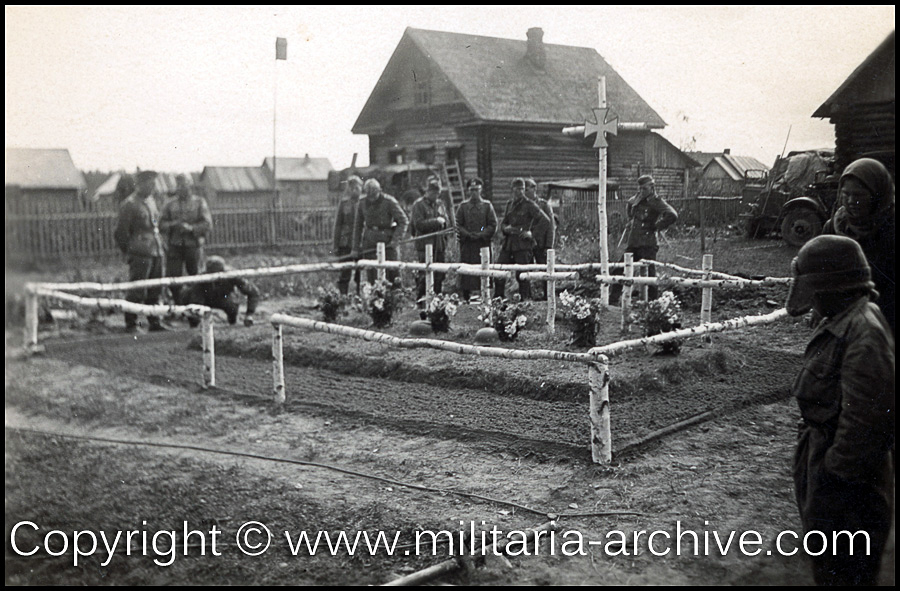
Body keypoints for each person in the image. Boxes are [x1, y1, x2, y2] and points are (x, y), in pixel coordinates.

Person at [786, 235, 894, 586]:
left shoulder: (864, 334)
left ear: (831, 284)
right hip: (826, 464)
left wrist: (833, 480)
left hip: (848, 487)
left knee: (845, 574)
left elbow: (865, 422)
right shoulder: (844, 319)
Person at [823, 157, 895, 333]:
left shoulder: (891, 229)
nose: (850, 201)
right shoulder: (834, 227)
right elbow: (822, 275)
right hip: (842, 322)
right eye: (845, 194)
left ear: (877, 195)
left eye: (859, 195)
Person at [113, 170, 168, 333]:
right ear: (140, 184)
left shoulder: (150, 201)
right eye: (150, 184)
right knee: (137, 288)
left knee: (156, 288)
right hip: (140, 253)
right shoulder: (129, 204)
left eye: (154, 183)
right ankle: (131, 323)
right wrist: (130, 251)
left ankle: (154, 321)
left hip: (156, 251)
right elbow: (120, 233)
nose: (153, 187)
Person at [612, 174, 678, 302]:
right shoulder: (637, 198)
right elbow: (630, 204)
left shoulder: (657, 201)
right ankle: (612, 300)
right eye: (640, 188)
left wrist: (657, 226)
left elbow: (672, 214)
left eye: (645, 189)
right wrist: (631, 219)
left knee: (650, 275)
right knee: (619, 268)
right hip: (634, 242)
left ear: (652, 187)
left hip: (648, 244)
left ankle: (653, 303)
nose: (642, 191)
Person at [159, 174, 213, 302]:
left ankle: (196, 304)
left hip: (193, 246)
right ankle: (179, 305)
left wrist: (191, 228)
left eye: (183, 185)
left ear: (190, 185)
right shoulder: (169, 204)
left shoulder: (199, 202)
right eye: (178, 185)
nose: (180, 188)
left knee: (196, 277)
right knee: (174, 278)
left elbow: (207, 224)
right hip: (174, 246)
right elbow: (161, 224)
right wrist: (173, 225)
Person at [494, 178, 551, 300]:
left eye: (522, 189)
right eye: (517, 189)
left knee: (522, 276)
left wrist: (532, 234)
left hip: (522, 245)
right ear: (512, 189)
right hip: (508, 244)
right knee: (499, 271)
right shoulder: (509, 205)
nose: (520, 191)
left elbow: (545, 221)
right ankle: (498, 300)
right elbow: (503, 223)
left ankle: (524, 301)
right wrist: (506, 229)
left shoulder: (529, 205)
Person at [351, 178, 409, 286]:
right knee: (373, 278)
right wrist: (355, 248)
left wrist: (395, 240)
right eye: (369, 196)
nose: (372, 199)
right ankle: (375, 301)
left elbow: (403, 221)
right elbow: (358, 226)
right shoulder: (362, 203)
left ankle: (396, 301)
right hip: (370, 244)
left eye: (374, 196)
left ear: (379, 191)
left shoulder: (389, 201)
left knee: (393, 276)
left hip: (388, 244)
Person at [180, 256, 260, 327]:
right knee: (187, 296)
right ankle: (194, 326)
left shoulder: (231, 275)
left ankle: (232, 322)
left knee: (232, 306)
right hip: (205, 298)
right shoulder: (202, 278)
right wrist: (196, 318)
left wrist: (249, 314)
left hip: (223, 297)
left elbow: (253, 292)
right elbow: (195, 299)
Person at [455, 177, 498, 302]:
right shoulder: (463, 207)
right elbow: (458, 224)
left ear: (481, 190)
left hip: (482, 244)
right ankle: (466, 295)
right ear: (468, 190)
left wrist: (481, 234)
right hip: (468, 244)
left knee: (483, 267)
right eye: (472, 190)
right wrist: (467, 234)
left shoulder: (487, 206)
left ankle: (484, 294)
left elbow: (493, 224)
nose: (474, 192)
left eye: (476, 190)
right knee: (466, 268)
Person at [410, 176, 452, 299]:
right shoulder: (419, 205)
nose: (436, 196)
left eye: (438, 193)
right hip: (425, 245)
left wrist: (444, 222)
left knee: (439, 274)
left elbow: (447, 222)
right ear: (428, 192)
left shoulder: (440, 204)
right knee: (425, 274)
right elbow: (418, 224)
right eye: (434, 193)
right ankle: (421, 300)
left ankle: (437, 300)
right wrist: (436, 221)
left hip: (439, 245)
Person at [524, 178, 555, 300]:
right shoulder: (522, 205)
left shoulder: (543, 205)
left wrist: (548, 246)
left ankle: (548, 296)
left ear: (534, 189)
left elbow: (551, 227)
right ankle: (527, 297)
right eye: (523, 190)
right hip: (526, 245)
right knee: (526, 271)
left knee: (545, 270)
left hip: (541, 245)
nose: (525, 193)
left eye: (527, 190)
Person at [332, 175, 363, 295]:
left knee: (361, 272)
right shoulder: (344, 204)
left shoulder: (365, 202)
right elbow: (338, 225)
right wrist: (335, 245)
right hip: (346, 243)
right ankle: (343, 298)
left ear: (361, 188)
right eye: (351, 188)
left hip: (361, 242)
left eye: (357, 187)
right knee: (345, 272)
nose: (354, 190)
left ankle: (360, 297)